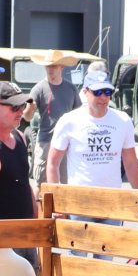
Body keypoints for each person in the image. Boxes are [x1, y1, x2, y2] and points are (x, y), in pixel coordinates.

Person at [47, 70, 138, 192]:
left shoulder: (123, 120)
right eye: (97, 92)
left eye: (107, 92)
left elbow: (130, 163)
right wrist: (56, 199)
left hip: (113, 202)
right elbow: (53, 163)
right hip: (79, 202)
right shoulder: (68, 121)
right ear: (85, 92)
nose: (103, 97)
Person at [0, 81, 37, 268]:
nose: (20, 111)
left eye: (22, 106)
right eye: (14, 107)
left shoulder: (19, 137)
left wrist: (36, 228)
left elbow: (25, 186)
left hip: (26, 238)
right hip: (3, 245)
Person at [23, 51, 79, 185]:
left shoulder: (71, 89)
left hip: (67, 143)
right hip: (45, 141)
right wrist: (30, 108)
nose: (50, 69)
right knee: (41, 184)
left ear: (62, 67)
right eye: (47, 66)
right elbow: (26, 117)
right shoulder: (38, 89)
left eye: (53, 66)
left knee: (66, 182)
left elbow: (79, 114)